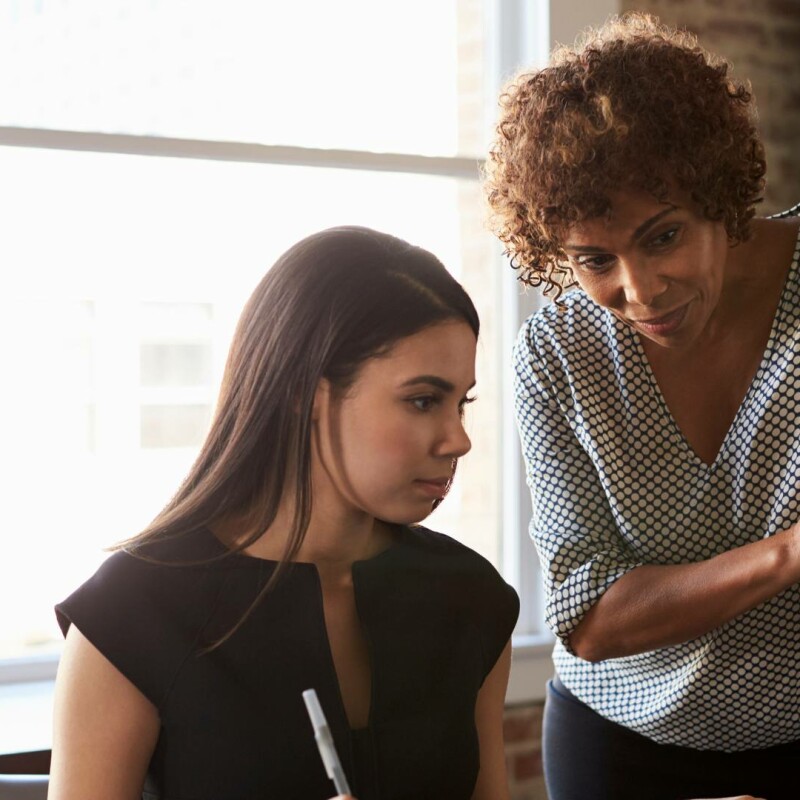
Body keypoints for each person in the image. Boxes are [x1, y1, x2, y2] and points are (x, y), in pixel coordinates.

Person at [48, 226, 519, 800]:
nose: (457, 440)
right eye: (422, 400)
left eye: (460, 403)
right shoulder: (130, 614)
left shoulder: (473, 600)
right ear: (305, 394)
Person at [484, 11, 800, 800]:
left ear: (720, 196)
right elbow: (588, 615)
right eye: (596, 259)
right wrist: (788, 555)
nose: (639, 291)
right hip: (621, 742)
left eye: (664, 237)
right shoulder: (558, 354)